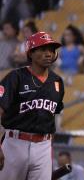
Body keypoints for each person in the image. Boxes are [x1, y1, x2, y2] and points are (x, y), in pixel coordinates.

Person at [0, 31, 64, 179]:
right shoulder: (15, 77)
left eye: (51, 50)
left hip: (43, 145)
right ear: (31, 53)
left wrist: (48, 147)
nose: (49, 54)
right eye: (43, 49)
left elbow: (51, 116)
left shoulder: (57, 82)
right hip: (15, 143)